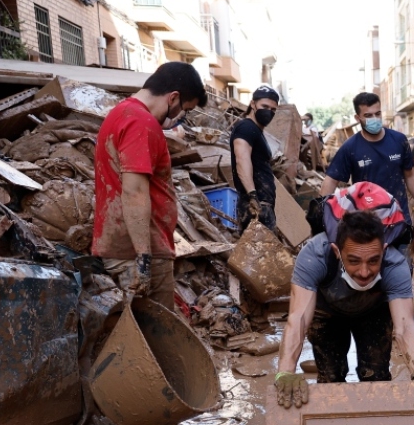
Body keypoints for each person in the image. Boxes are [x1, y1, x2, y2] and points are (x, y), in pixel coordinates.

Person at [273, 184, 414, 407]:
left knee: (376, 378)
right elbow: (298, 319)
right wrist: (285, 372)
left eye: (373, 261)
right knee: (331, 381)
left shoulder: (395, 265)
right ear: (336, 250)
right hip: (327, 312)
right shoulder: (314, 255)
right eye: (354, 261)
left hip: (374, 312)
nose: (364, 272)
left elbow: (404, 326)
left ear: (384, 250)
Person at [92, 61, 205, 309]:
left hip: (126, 246)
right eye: (183, 109)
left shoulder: (123, 114)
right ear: (173, 98)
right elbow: (134, 191)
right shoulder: (141, 124)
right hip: (139, 252)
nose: (179, 117)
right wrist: (144, 257)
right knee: (155, 340)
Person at [324, 92, 414, 234]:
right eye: (368, 116)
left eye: (377, 114)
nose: (374, 119)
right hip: (367, 225)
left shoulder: (399, 140)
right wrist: (324, 214)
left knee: (402, 256)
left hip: (400, 220)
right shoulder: (350, 148)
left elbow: (410, 176)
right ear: (357, 118)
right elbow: (330, 180)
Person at [230, 85, 280, 231]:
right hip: (255, 205)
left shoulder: (256, 130)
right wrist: (252, 195)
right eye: (264, 106)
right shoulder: (246, 127)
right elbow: (242, 159)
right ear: (253, 104)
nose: (268, 112)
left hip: (261, 205)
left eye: (273, 110)